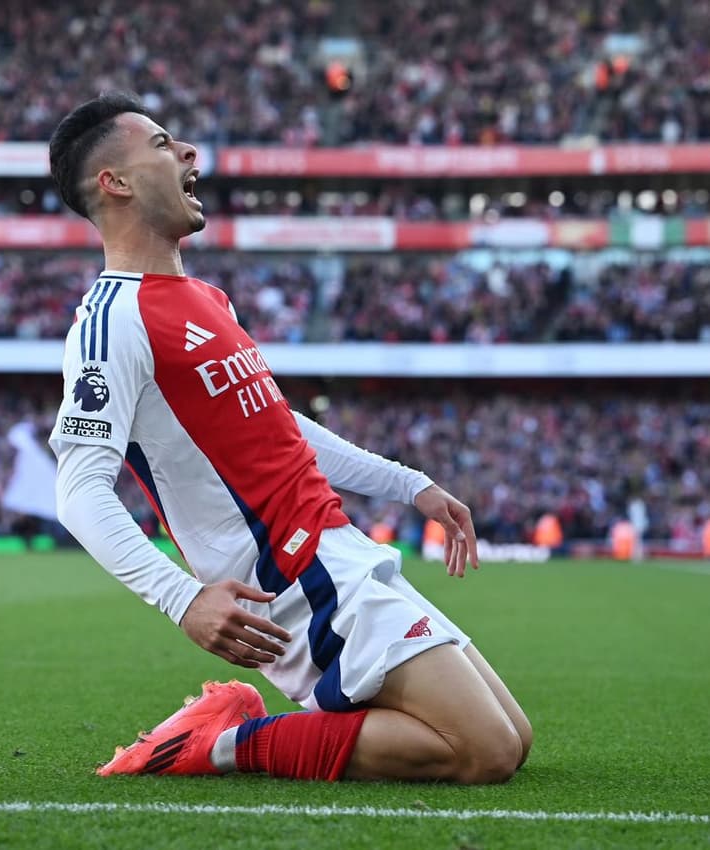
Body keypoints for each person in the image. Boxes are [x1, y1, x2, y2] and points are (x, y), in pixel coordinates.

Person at [47, 92, 532, 784]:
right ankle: (220, 744)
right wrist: (182, 598)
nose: (186, 152)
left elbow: (277, 425)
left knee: (514, 735)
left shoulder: (206, 299)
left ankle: (237, 733)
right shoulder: (111, 321)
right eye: (161, 144)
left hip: (340, 549)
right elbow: (79, 491)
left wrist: (408, 484)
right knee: (483, 752)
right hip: (292, 581)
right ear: (115, 183)